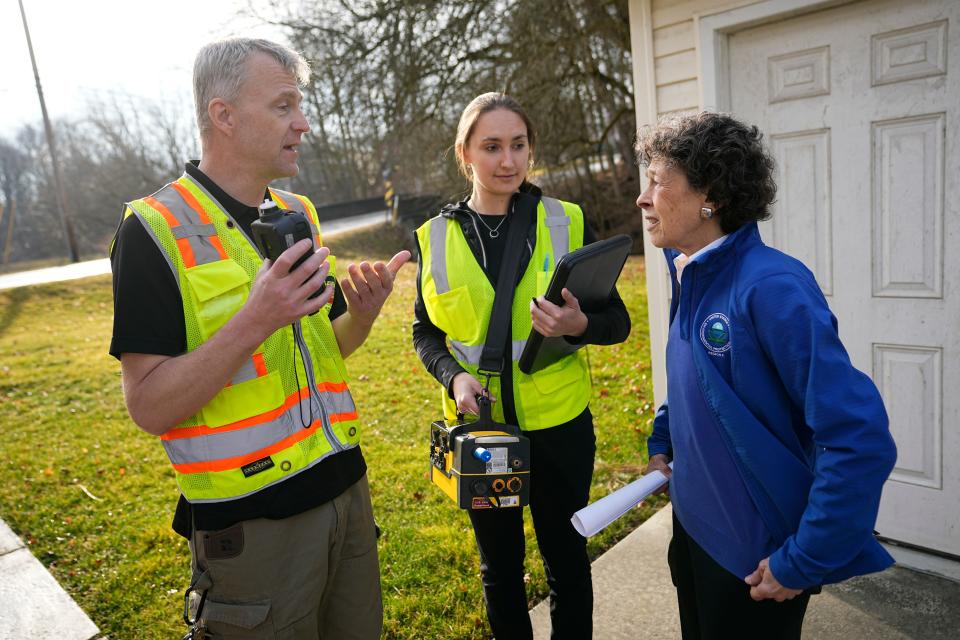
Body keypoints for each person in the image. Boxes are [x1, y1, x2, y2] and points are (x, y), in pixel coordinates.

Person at [109, 38, 409, 639]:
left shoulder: (297, 212)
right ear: (223, 115)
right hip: (255, 531)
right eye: (283, 107)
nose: (302, 123)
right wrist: (254, 319)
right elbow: (148, 405)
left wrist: (365, 316)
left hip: (345, 493)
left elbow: (322, 348)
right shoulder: (152, 231)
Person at [637, 111, 897, 639]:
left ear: (709, 194)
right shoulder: (690, 269)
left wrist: (802, 559)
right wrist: (664, 436)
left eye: (657, 182)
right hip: (694, 535)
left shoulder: (772, 287)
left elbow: (859, 438)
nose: (642, 198)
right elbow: (699, 378)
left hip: (754, 563)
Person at [412, 92, 631, 639]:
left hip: (560, 427)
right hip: (483, 435)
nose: (507, 161)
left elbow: (617, 323)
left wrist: (578, 326)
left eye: (518, 145)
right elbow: (426, 333)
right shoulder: (433, 238)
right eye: (491, 147)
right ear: (464, 153)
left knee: (566, 562)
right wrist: (453, 375)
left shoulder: (566, 221)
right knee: (500, 570)